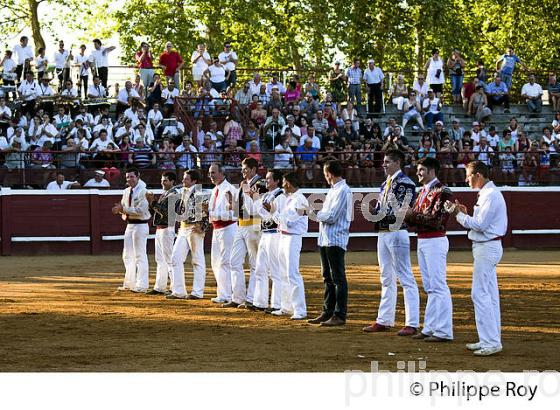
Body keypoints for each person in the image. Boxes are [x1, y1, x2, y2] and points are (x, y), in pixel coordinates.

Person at [444, 161, 508, 356]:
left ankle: (490, 341)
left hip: (486, 247)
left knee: (480, 294)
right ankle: (489, 339)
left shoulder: (490, 195)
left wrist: (458, 215)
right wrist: (464, 214)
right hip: (487, 246)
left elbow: (479, 225)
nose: (466, 179)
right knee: (489, 294)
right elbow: (481, 224)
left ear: (478, 175)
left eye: (469, 175)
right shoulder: (488, 194)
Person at [363, 149, 420, 335]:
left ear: (397, 163)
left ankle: (412, 323)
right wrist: (374, 212)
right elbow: (383, 209)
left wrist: (379, 214)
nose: (384, 164)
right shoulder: (384, 184)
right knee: (386, 276)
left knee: (405, 277)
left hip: (397, 231)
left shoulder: (406, 183)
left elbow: (401, 211)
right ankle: (384, 320)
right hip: (383, 232)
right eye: (384, 161)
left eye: (387, 162)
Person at [405, 157, 454, 342]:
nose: (418, 173)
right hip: (423, 240)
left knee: (438, 285)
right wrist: (409, 215)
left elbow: (436, 219)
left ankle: (444, 331)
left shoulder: (443, 191)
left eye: (421, 170)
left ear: (432, 170)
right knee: (430, 287)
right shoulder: (422, 191)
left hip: (435, 240)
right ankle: (430, 327)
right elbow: (414, 218)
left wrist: (412, 214)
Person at [307, 161, 351, 326]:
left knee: (337, 277)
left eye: (325, 173)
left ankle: (339, 314)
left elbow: (331, 216)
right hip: (327, 238)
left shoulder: (343, 191)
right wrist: (321, 214)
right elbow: (329, 215)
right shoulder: (335, 190)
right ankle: (328, 311)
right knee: (328, 277)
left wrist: (316, 213)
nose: (325, 176)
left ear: (330, 174)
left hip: (335, 238)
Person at [222, 158, 267, 308]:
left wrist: (246, 191)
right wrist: (231, 204)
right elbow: (238, 210)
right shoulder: (244, 185)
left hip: (254, 226)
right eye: (242, 168)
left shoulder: (260, 184)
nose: (242, 171)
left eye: (245, 168)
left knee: (255, 264)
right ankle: (238, 297)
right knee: (234, 261)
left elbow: (258, 208)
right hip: (241, 225)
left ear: (254, 169)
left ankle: (252, 298)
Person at [271, 172, 308, 320]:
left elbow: (290, 222)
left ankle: (300, 309)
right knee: (283, 273)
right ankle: (286, 306)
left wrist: (273, 213)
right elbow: (285, 221)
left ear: (290, 183)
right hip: (284, 236)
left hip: (292, 238)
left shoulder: (300, 200)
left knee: (292, 273)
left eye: (284, 182)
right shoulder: (291, 198)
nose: (282, 185)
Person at [249, 170, 286, 312]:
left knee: (275, 270)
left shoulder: (280, 196)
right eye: (266, 179)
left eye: (269, 179)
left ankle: (277, 304)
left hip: (274, 234)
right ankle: (260, 302)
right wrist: (255, 199)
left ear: (276, 181)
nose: (266, 181)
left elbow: (271, 218)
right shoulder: (267, 195)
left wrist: (258, 202)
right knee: (260, 269)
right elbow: (254, 212)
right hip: (265, 234)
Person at [169, 169, 209, 299]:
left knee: (197, 260)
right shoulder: (183, 192)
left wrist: (203, 227)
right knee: (175, 258)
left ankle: (197, 292)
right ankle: (179, 291)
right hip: (183, 228)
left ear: (194, 181)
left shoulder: (200, 193)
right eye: (184, 178)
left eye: (186, 179)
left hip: (194, 229)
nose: (183, 181)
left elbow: (208, 212)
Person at [111, 168, 150, 293]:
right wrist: (119, 210)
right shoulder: (126, 191)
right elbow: (124, 207)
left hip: (141, 225)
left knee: (140, 255)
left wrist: (123, 209)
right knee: (127, 255)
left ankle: (142, 285)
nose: (129, 179)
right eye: (127, 177)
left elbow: (141, 211)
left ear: (138, 177)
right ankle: (129, 283)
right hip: (130, 225)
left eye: (132, 177)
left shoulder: (144, 191)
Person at [145, 172, 180, 296]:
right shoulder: (165, 194)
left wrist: (153, 202)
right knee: (160, 260)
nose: (162, 182)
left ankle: (174, 287)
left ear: (172, 182)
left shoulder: (174, 194)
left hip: (167, 229)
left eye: (165, 181)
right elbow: (157, 212)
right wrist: (151, 203)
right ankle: (160, 287)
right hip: (160, 229)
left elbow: (166, 213)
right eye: (162, 180)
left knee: (169, 259)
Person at [207, 163, 238, 304]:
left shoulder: (229, 189)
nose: (211, 176)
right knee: (216, 262)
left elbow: (232, 213)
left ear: (221, 173)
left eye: (213, 172)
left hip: (228, 228)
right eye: (210, 173)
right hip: (217, 228)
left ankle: (228, 294)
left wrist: (212, 214)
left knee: (225, 262)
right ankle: (223, 293)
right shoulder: (215, 190)